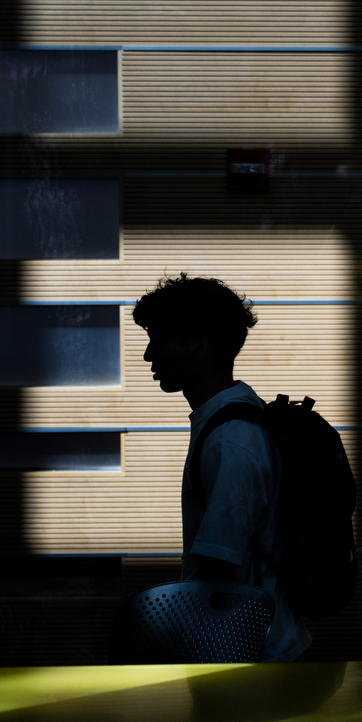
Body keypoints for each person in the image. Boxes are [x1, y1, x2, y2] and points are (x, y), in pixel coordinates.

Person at [133, 273, 311, 662]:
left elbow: (219, 570)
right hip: (252, 647)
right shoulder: (233, 423)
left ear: (198, 345)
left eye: (157, 341)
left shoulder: (231, 440)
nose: (148, 356)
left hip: (248, 657)